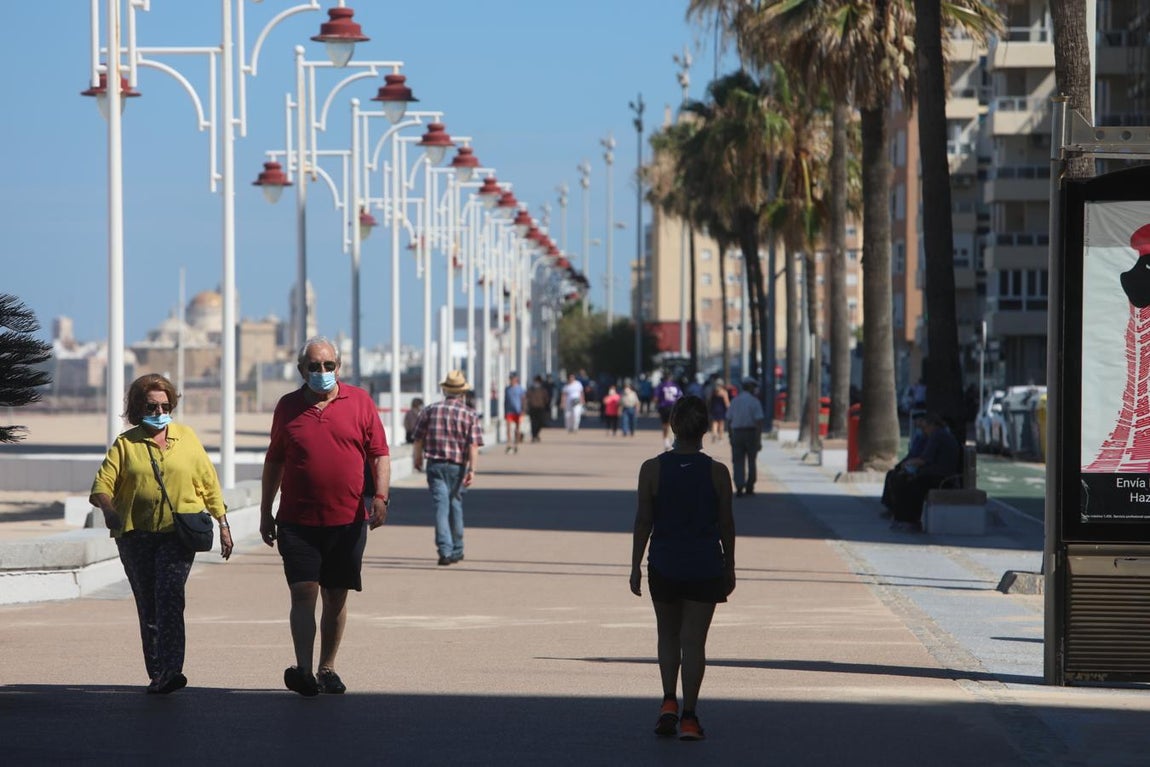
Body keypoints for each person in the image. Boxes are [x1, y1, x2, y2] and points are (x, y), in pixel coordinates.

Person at [260, 336, 391, 697]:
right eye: (314, 367)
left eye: (328, 366)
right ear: (302, 370)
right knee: (303, 591)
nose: (322, 372)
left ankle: (327, 667)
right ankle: (303, 669)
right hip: (297, 520)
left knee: (335, 596)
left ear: (339, 367)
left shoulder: (360, 402)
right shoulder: (287, 407)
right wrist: (264, 511)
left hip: (347, 519)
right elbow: (275, 460)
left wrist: (381, 497)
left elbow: (379, 453)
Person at [89, 373, 232, 695]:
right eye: (152, 407)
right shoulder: (126, 444)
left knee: (170, 597)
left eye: (165, 406)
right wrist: (110, 512)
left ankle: (172, 669)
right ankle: (157, 672)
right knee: (148, 604)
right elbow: (101, 486)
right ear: (138, 408)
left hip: (177, 533)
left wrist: (223, 524)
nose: (159, 412)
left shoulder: (187, 438)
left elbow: (209, 483)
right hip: (135, 535)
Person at [630, 395, 736, 741]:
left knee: (667, 635)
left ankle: (667, 702)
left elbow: (643, 522)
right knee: (694, 643)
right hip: (705, 565)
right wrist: (730, 566)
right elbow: (726, 525)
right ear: (705, 428)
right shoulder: (718, 473)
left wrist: (635, 566)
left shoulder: (651, 469)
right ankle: (690, 717)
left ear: (673, 425)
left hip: (664, 562)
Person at [412, 370, 484, 566]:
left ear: (445, 390)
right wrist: (472, 469)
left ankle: (445, 551)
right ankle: (458, 549)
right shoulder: (470, 414)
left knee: (441, 508)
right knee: (455, 505)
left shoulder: (429, 410)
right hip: (457, 467)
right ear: (462, 392)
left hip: (435, 465)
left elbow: (418, 439)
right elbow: (473, 445)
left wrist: (417, 459)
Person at [889, 412, 961, 532]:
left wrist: (907, 464)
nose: (924, 431)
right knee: (905, 481)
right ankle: (902, 519)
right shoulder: (940, 434)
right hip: (938, 473)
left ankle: (910, 521)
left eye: (924, 427)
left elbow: (925, 459)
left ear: (932, 425)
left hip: (940, 476)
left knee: (910, 484)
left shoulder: (937, 436)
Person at [880, 411, 928, 518]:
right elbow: (911, 454)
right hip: (911, 464)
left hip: (920, 468)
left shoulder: (928, 437)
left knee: (900, 480)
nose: (917, 423)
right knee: (891, 475)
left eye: (920, 421)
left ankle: (899, 511)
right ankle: (890, 506)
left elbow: (923, 458)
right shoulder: (919, 436)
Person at [726, 377, 765, 497]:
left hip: (737, 433)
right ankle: (749, 486)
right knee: (751, 461)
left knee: (737, 461)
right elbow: (759, 422)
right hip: (751, 433)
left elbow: (729, 419)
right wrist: (759, 439)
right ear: (751, 388)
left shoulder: (735, 401)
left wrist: (731, 435)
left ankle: (739, 485)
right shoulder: (754, 401)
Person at [654, 373, 683, 450]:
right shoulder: (675, 386)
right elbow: (680, 396)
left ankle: (666, 441)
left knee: (665, 424)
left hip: (663, 407)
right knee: (674, 424)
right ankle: (674, 441)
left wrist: (656, 405)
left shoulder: (661, 386)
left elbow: (656, 398)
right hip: (673, 407)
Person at [525, 375, 552, 443]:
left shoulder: (543, 389)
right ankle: (534, 436)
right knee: (533, 422)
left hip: (541, 408)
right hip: (532, 407)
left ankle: (536, 434)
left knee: (541, 422)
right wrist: (526, 406)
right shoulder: (531, 389)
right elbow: (527, 397)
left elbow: (546, 398)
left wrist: (546, 405)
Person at [504, 372, 526, 453]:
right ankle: (509, 444)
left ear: (516, 379)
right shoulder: (507, 389)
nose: (511, 380)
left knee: (517, 429)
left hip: (518, 411)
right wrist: (505, 411)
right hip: (509, 411)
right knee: (508, 428)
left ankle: (516, 444)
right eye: (510, 379)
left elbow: (523, 400)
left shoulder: (520, 389)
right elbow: (505, 401)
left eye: (513, 379)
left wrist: (523, 410)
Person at [707, 378, 730, 443]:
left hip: (714, 409)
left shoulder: (713, 392)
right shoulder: (723, 392)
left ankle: (714, 434)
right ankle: (720, 438)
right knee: (721, 423)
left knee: (714, 423)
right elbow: (726, 402)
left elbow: (709, 400)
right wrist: (729, 408)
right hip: (721, 410)